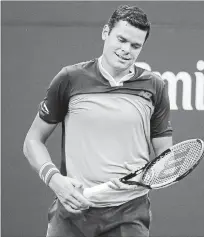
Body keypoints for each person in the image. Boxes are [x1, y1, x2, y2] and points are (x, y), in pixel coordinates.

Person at [23, 4, 173, 237]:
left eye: (135, 46)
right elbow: (33, 140)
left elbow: (165, 157)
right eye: (121, 40)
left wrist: (160, 172)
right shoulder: (70, 78)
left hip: (129, 214)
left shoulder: (155, 86)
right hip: (72, 212)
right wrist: (55, 180)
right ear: (106, 32)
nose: (126, 50)